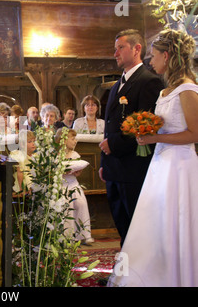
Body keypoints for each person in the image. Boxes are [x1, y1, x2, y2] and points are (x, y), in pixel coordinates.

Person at [108, 29, 198, 287]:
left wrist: (153, 138)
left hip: (180, 165)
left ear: (167, 56)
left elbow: (194, 133)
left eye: (154, 55)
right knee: (156, 224)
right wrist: (144, 129)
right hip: (160, 163)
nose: (150, 60)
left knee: (177, 222)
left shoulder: (188, 89)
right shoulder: (165, 90)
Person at [98, 29, 164, 247]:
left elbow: (146, 126)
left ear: (137, 49)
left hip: (133, 167)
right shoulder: (118, 84)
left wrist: (113, 146)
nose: (115, 53)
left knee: (137, 226)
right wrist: (104, 162)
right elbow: (110, 126)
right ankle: (128, 269)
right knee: (122, 225)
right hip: (114, 167)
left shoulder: (149, 82)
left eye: (120, 48)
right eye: (115, 48)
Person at [55, 128, 94, 245]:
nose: (75, 141)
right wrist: (62, 172)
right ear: (64, 140)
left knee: (81, 204)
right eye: (72, 139)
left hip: (73, 184)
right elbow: (53, 170)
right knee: (68, 206)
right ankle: (68, 236)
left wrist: (77, 172)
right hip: (61, 185)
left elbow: (78, 171)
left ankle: (84, 234)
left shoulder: (75, 154)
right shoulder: (56, 154)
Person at [9, 130, 37, 194]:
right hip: (24, 179)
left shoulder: (36, 156)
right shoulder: (19, 155)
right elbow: (20, 172)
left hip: (35, 178)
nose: (33, 144)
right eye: (29, 142)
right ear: (22, 144)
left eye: (34, 141)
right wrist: (21, 188)